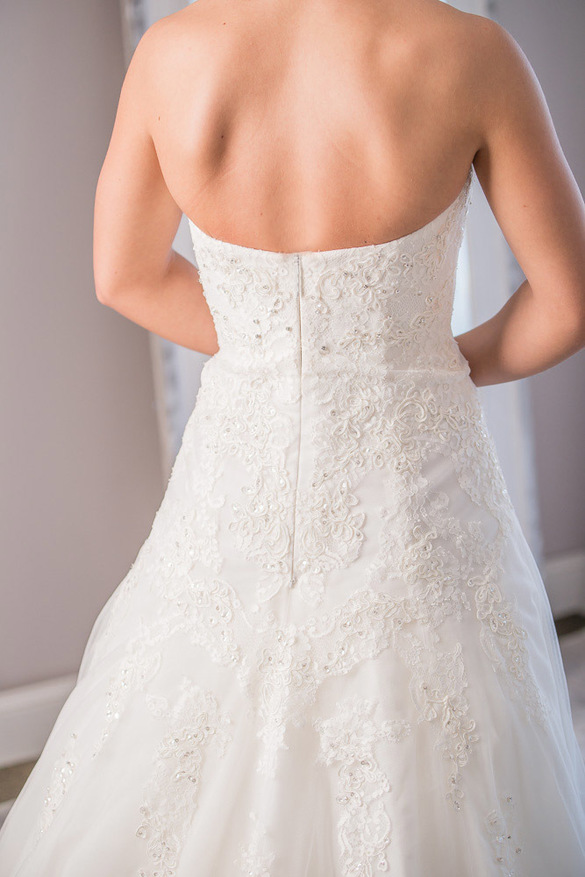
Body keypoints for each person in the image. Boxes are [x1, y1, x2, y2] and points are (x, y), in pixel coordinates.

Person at [1, 0, 585, 874]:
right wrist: (421, 359)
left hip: (244, 462)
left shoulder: (171, 55)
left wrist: (274, 351)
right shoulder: (471, 51)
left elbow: (123, 273)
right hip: (417, 473)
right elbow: (569, 303)